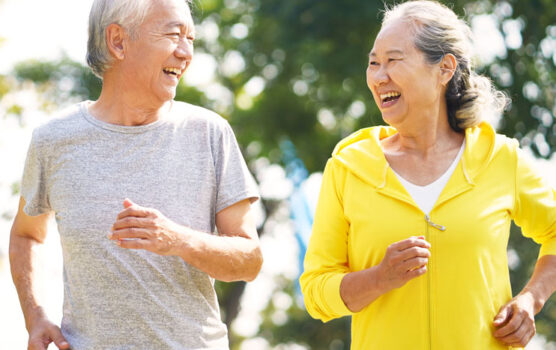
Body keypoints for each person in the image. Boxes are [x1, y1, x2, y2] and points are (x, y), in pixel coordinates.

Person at [300, 1, 556, 349]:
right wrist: (379, 278)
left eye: (393, 60)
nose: (378, 76)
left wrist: (531, 299)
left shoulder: (500, 158)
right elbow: (316, 291)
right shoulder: (349, 167)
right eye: (373, 63)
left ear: (444, 68)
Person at [9, 0, 263, 349]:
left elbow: (250, 261)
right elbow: (27, 236)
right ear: (118, 41)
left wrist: (177, 240)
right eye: (174, 35)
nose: (186, 53)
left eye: (191, 39)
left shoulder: (210, 133)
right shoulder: (53, 141)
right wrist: (34, 316)